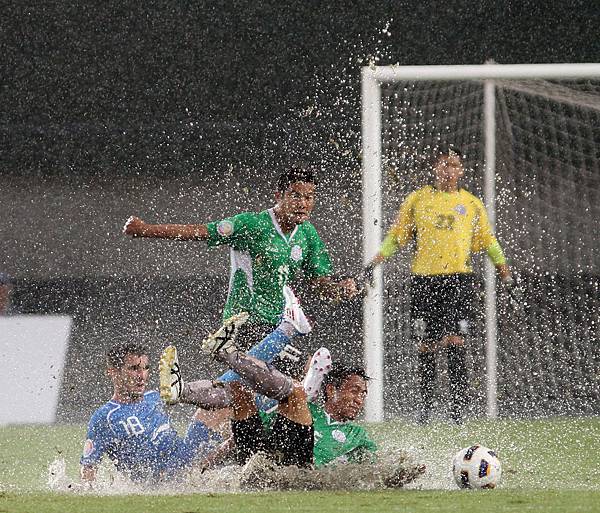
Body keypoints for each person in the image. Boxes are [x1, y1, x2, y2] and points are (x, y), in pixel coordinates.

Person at [123, 166, 359, 350]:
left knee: (262, 398)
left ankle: (193, 392)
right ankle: (189, 389)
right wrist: (145, 229)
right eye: (295, 196)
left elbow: (318, 283)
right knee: (289, 389)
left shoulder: (308, 235)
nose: (303, 204)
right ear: (278, 195)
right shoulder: (252, 225)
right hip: (245, 321)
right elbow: (201, 231)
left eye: (309, 197)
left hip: (278, 324)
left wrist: (339, 289)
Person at [366, 146, 513, 424]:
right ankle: (425, 408)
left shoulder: (470, 204)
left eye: (454, 165)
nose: (449, 170)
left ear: (461, 170)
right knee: (427, 345)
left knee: (456, 340)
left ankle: (458, 410)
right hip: (425, 281)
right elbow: (398, 236)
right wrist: (377, 259)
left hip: (459, 280)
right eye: (444, 164)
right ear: (436, 168)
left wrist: (502, 267)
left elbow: (488, 240)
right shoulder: (418, 200)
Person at [159, 313, 379, 469]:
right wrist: (207, 463)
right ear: (331, 391)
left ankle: (228, 354)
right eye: (354, 391)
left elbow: (378, 469)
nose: (359, 399)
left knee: (294, 394)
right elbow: (239, 438)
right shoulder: (309, 409)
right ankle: (182, 391)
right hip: (263, 456)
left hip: (297, 468)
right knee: (239, 393)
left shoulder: (357, 435)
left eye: (363, 394)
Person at [80, 342, 228, 485]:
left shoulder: (154, 397)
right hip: (164, 480)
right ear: (113, 371)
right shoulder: (104, 417)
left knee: (227, 401)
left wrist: (204, 385)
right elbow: (89, 467)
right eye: (134, 368)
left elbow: (196, 392)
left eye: (145, 368)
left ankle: (238, 456)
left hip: (188, 458)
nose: (141, 376)